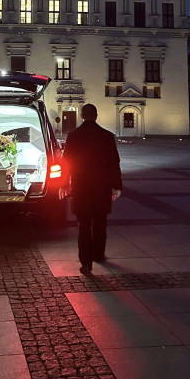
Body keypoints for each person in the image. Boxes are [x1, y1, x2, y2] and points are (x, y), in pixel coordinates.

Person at [63, 103, 122, 274]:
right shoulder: (107, 136)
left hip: (81, 187)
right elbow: (114, 163)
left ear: (82, 116)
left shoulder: (73, 136)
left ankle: (86, 263)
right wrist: (117, 186)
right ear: (96, 116)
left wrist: (64, 185)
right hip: (102, 187)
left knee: (84, 225)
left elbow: (66, 162)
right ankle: (98, 254)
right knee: (100, 222)